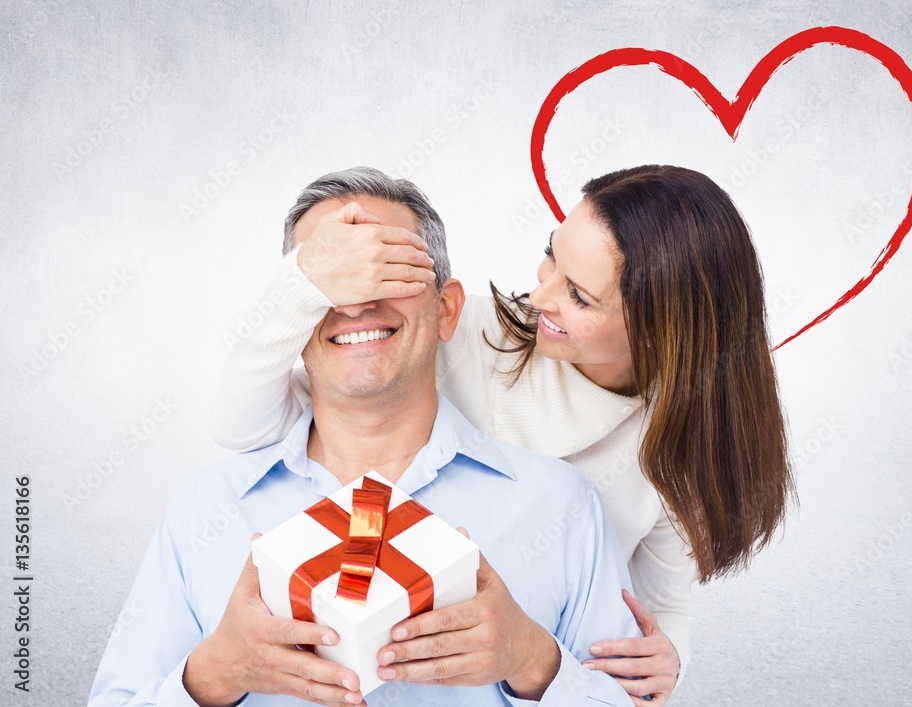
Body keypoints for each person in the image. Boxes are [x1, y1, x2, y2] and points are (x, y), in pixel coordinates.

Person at [210, 164, 796, 704]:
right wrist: (306, 280)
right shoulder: (464, 332)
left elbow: (661, 610)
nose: (538, 295)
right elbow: (247, 424)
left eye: (579, 296)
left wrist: (667, 663)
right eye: (551, 258)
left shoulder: (675, 463)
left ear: (659, 331)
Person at [89, 168, 643, 707]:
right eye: (327, 280)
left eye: (388, 271)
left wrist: (534, 664)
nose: (354, 303)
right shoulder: (201, 512)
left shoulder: (562, 507)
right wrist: (212, 675)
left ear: (446, 309)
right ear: (293, 316)